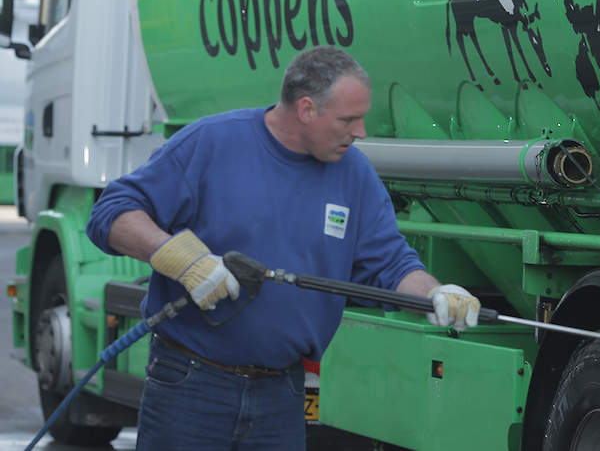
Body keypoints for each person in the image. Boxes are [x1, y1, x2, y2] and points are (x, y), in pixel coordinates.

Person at [85, 45, 481, 450]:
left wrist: (435, 294)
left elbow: (393, 264)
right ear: (306, 109)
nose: (360, 132)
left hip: (281, 395)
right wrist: (184, 262)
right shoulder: (213, 143)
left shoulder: (354, 175)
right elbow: (112, 214)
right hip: (190, 384)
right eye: (348, 119)